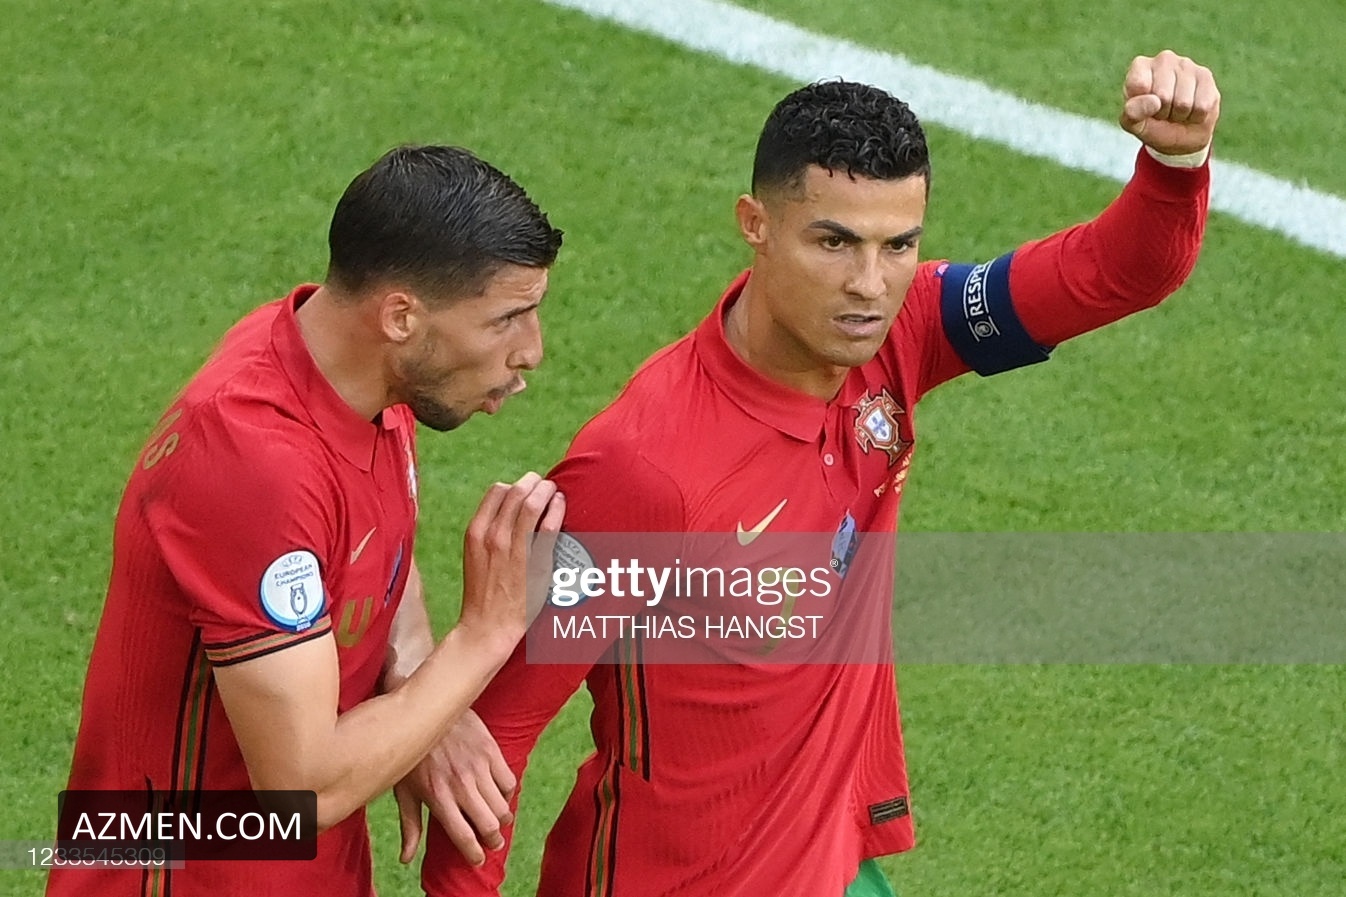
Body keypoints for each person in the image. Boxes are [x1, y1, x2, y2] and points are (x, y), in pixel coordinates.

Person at [419, 51, 1220, 896]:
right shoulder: (644, 471)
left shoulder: (907, 331)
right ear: (756, 225)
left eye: (898, 245)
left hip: (831, 871)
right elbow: (494, 742)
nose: (869, 286)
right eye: (834, 242)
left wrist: (1175, 162)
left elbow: (1117, 271)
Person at [46, 144, 566, 897]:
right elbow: (302, 786)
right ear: (400, 316)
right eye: (507, 319)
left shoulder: (363, 376)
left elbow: (374, 546)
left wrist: (419, 680)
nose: (532, 351)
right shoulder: (255, 461)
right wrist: (482, 637)